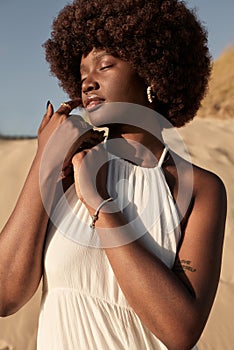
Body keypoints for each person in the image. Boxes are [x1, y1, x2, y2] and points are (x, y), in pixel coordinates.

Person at [0, 1, 227, 349]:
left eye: (105, 65)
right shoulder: (64, 171)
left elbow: (180, 330)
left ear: (152, 70)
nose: (88, 82)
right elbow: (5, 294)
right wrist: (44, 162)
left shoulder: (198, 188)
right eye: (81, 74)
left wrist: (101, 205)